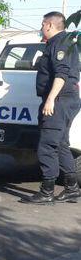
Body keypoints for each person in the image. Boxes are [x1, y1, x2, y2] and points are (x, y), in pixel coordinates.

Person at [23, 12, 81, 204]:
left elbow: (62, 73)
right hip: (67, 99)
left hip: (59, 101)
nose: (41, 29)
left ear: (49, 25)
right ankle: (72, 188)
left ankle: (47, 191)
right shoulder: (66, 42)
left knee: (47, 145)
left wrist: (50, 100)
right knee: (61, 144)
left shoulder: (60, 43)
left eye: (42, 25)